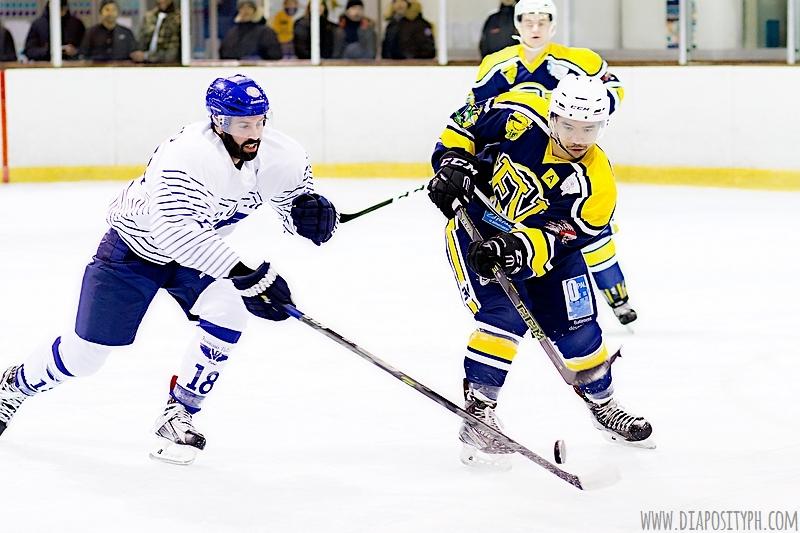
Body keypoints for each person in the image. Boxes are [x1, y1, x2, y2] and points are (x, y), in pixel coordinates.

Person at [0, 74, 338, 466]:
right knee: (85, 357)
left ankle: (179, 414)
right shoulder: (188, 155)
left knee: (228, 310)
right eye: (243, 124)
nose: (255, 133)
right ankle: (14, 386)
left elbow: (290, 203)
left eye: (260, 121)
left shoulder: (282, 155)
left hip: (195, 256)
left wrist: (308, 218)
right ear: (219, 121)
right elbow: (175, 233)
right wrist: (248, 276)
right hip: (133, 251)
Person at [427, 75, 653, 469]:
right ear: (553, 116)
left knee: (580, 330)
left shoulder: (597, 186)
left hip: (547, 253)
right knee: (504, 315)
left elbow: (565, 237)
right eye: (569, 126)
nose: (578, 138)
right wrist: (453, 161)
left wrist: (516, 247)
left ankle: (603, 404)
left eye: (589, 128)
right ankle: (479, 413)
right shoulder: (520, 114)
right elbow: (464, 121)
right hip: (478, 229)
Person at [470, 0, 635, 326]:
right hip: (522, 162)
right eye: (528, 21)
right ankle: (540, 301)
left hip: (567, 160)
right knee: (533, 233)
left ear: (553, 25)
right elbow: (478, 112)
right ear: (516, 25)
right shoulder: (495, 64)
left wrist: (582, 114)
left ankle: (618, 297)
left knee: (590, 230)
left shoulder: (580, 60)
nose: (535, 28)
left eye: (542, 21)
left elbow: (615, 89)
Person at [79, 0, 145, 62]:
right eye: (107, 10)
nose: (110, 13)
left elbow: (134, 52)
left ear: (118, 12)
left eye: (114, 10)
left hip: (122, 68)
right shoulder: (91, 32)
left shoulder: (127, 32)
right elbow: (83, 55)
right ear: (101, 12)